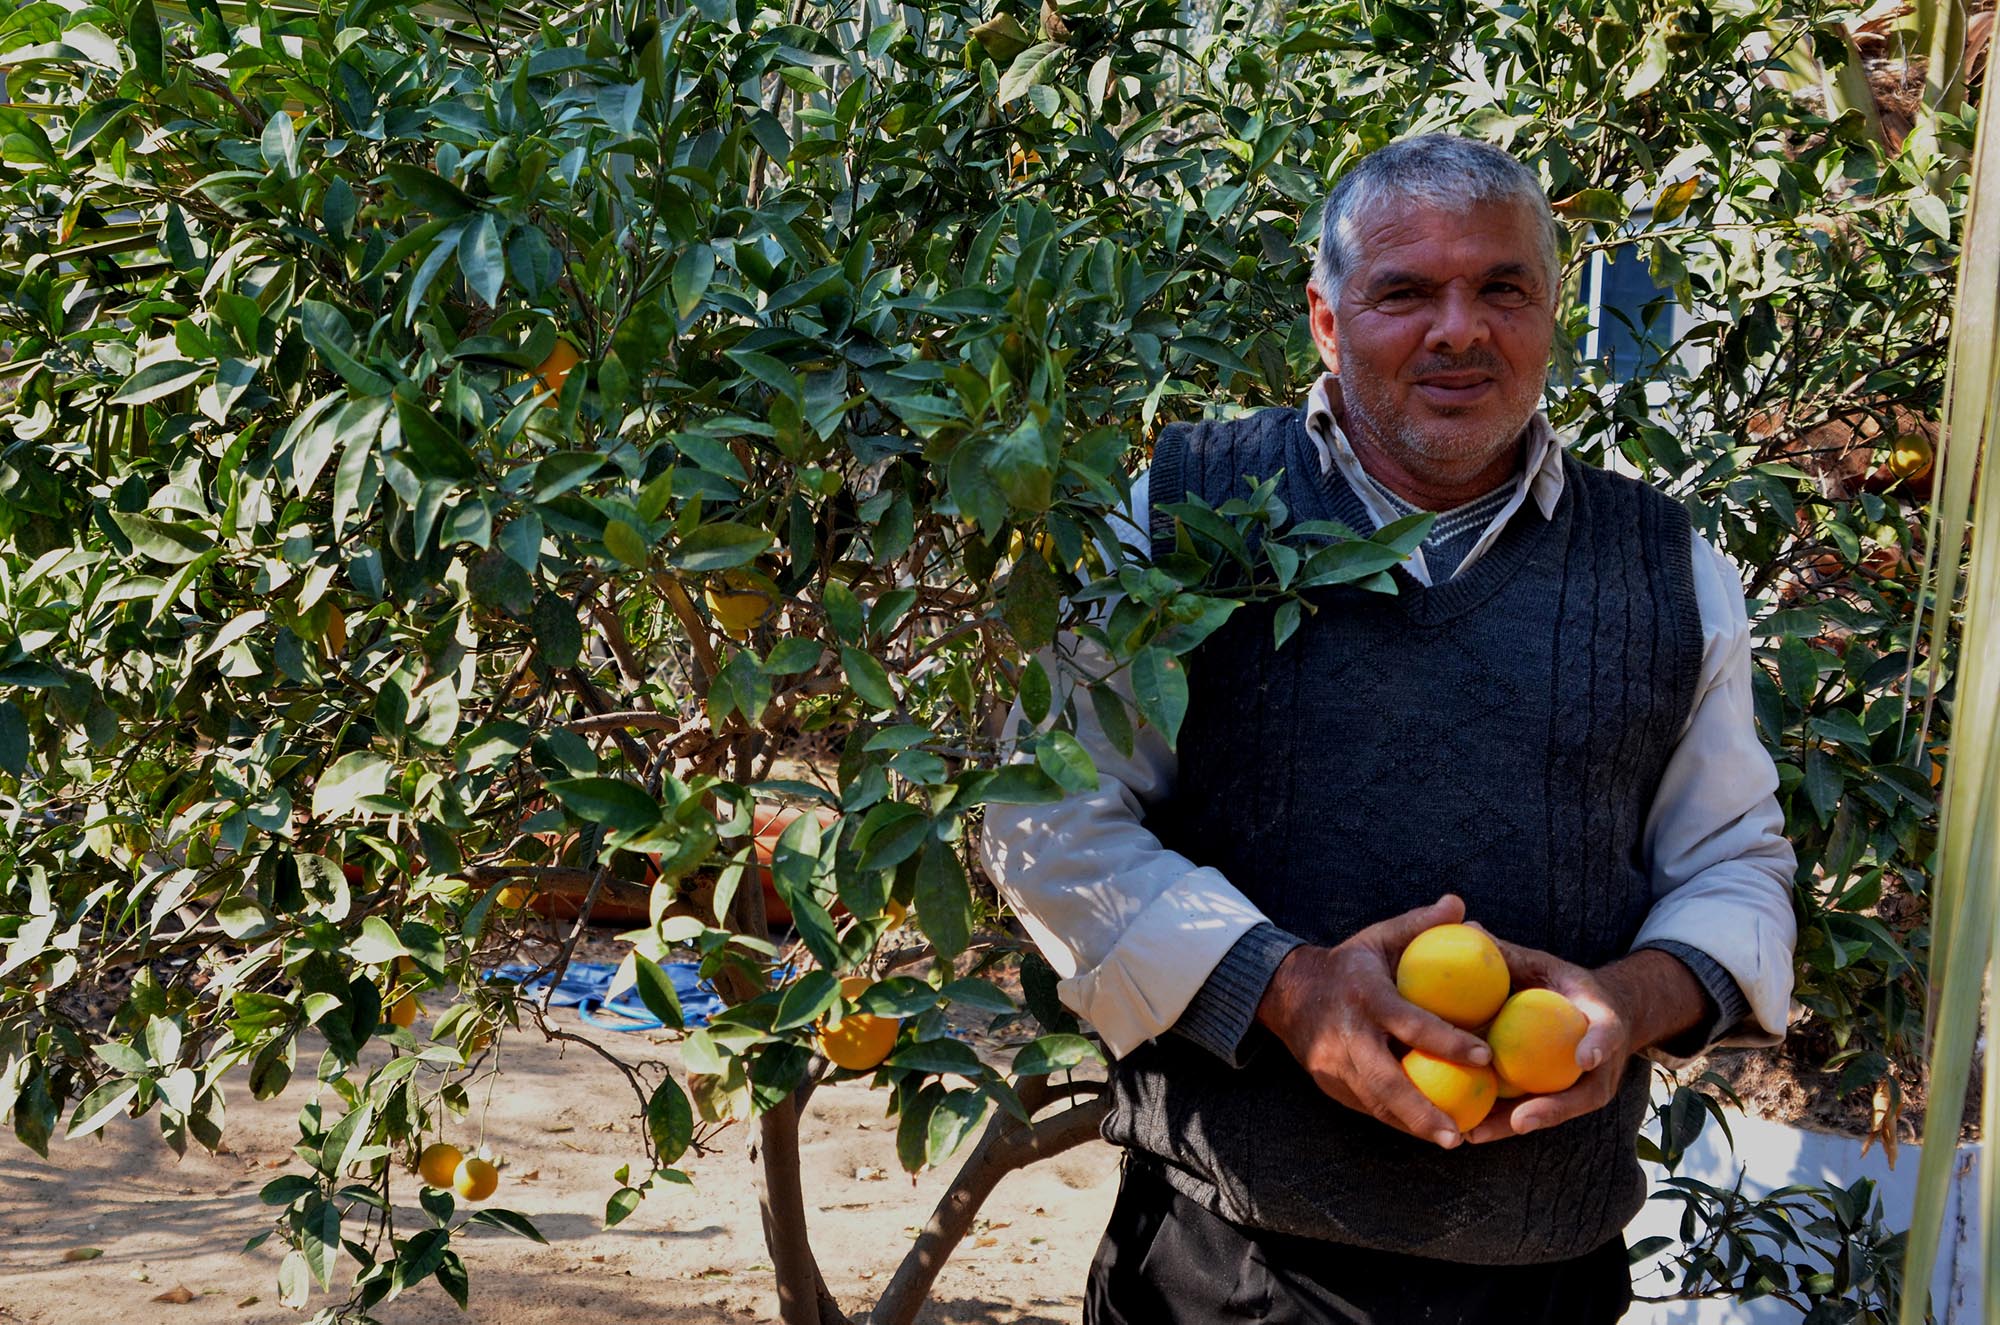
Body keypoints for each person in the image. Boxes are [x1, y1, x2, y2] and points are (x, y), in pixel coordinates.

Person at [976, 133, 1797, 1324]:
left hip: (1542, 1280)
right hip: (1226, 1265)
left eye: (1500, 288)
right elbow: (1044, 812)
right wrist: (1284, 987)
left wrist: (1629, 999)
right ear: (1324, 318)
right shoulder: (1178, 511)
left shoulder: (1666, 567)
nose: (1457, 328)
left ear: (1550, 313)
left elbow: (1735, 863)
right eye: (1404, 290)